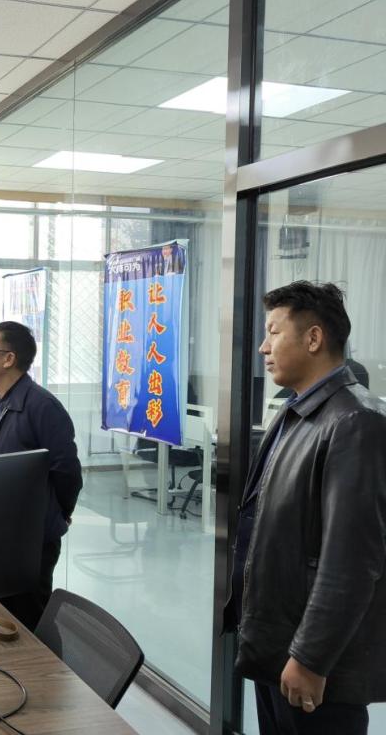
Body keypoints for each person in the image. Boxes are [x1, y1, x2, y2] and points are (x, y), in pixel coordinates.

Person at [230, 281, 386, 734]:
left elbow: (350, 561)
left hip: (315, 662)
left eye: (274, 332)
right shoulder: (296, 411)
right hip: (277, 643)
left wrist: (310, 657)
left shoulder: (355, 421)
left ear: (314, 338)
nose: (264, 347)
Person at [0, 320, 82, 630]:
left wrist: (58, 512)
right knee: (3, 611)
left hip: (31, 535)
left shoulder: (41, 406)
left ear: (8, 359)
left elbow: (67, 470)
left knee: (29, 616)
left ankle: (44, 663)